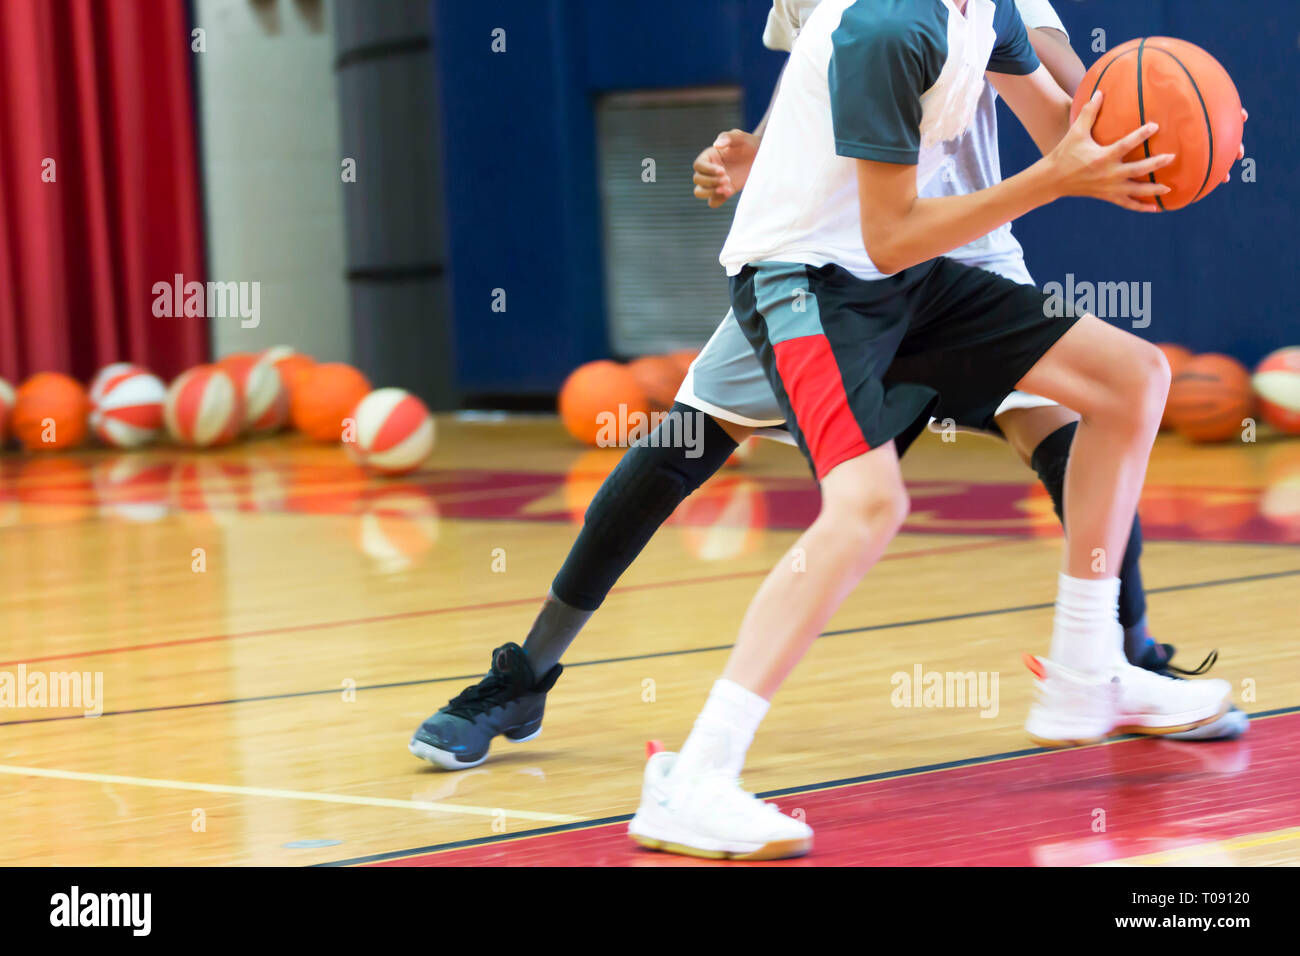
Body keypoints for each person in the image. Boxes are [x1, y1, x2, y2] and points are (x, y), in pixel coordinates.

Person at [408, 0, 1244, 780]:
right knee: (680, 452)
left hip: (969, 245)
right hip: (827, 259)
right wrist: (759, 147)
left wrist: (1155, 129)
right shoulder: (870, 22)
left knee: (1089, 421)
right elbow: (824, 76)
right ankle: (528, 675)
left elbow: (1061, 79)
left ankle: (1112, 661)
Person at [622, 0, 1245, 860]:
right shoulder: (886, 26)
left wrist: (1173, 144)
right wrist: (1059, 176)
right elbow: (888, 233)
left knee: (1134, 379)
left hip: (907, 273)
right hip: (808, 278)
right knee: (868, 506)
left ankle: (1084, 666)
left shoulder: (986, 7)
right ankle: (694, 778)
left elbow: (1072, 133)